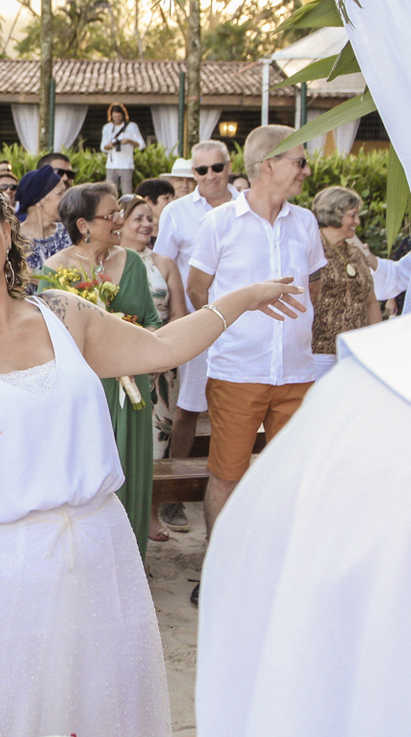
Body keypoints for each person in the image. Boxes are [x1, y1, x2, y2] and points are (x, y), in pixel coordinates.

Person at [0, 155, 305, 737]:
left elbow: (163, 347)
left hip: (100, 557)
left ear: (7, 231)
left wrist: (242, 301)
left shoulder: (62, 314)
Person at [187, 124, 325, 604]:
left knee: (290, 476)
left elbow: (315, 287)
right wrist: (241, 320)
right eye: (300, 162)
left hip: (297, 372)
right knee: (227, 473)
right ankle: (219, 571)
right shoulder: (219, 223)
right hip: (238, 371)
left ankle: (280, 573)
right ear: (270, 165)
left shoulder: (305, 223)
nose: (306, 171)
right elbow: (197, 291)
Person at [41, 186, 164, 557]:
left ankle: (132, 560)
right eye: (111, 215)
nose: (120, 221)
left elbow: (152, 322)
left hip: (131, 388)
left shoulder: (132, 262)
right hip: (84, 390)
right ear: (83, 224)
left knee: (131, 468)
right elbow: (47, 337)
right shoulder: (54, 269)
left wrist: (140, 340)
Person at [153, 141, 241, 536]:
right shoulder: (176, 212)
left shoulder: (248, 206)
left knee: (237, 406)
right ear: (193, 174)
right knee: (187, 408)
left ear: (229, 166)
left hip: (246, 328)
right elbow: (164, 265)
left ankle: (235, 495)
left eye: (216, 167)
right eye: (200, 171)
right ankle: (171, 499)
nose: (209, 177)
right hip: (199, 322)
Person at [119, 194, 187, 537]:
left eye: (150, 218)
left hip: (160, 362)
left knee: (158, 438)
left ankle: (150, 510)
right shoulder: (112, 263)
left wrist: (162, 352)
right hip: (118, 362)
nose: (147, 224)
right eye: (139, 218)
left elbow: (179, 314)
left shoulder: (164, 263)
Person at [310, 186, 386, 379]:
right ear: (335, 214)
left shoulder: (356, 253)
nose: (357, 221)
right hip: (318, 354)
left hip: (355, 353)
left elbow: (370, 301)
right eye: (353, 215)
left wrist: (375, 344)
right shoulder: (311, 249)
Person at [15, 165, 69, 276]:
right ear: (39, 200)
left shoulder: (67, 234)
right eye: (59, 194)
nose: (65, 199)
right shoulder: (12, 238)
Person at [101, 103, 144, 195]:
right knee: (110, 192)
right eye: (115, 117)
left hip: (126, 165)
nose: (117, 119)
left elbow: (141, 145)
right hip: (111, 165)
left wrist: (129, 141)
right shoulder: (107, 127)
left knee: (127, 192)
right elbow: (103, 147)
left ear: (123, 115)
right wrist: (111, 145)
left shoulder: (131, 126)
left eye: (119, 116)